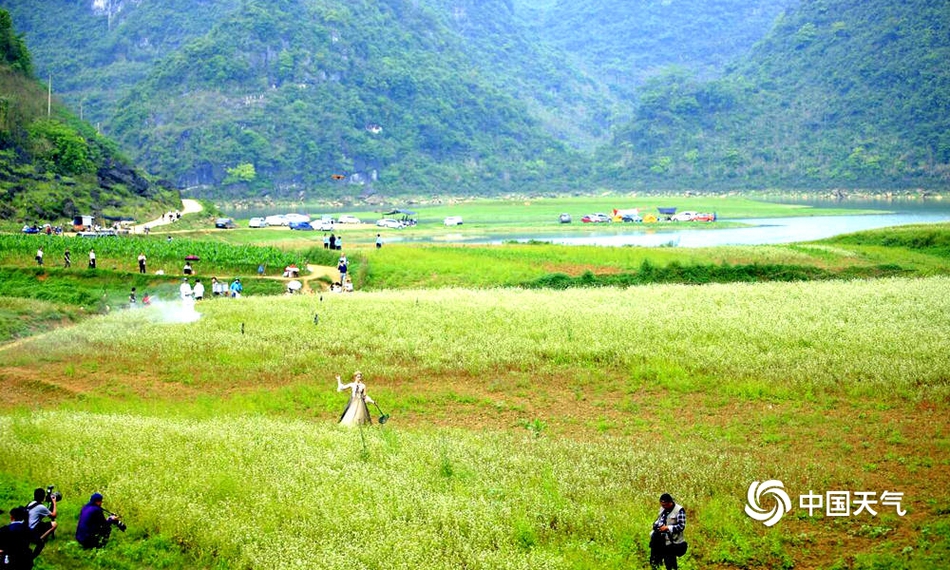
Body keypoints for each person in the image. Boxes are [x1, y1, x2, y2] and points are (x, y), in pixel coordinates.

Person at [650, 493, 687, 570]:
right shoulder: (662, 509)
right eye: (662, 505)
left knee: (671, 563)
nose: (663, 507)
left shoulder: (679, 510)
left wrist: (667, 528)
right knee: (659, 562)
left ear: (670, 502)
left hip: (673, 542)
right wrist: (656, 525)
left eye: (665, 505)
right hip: (662, 540)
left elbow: (681, 526)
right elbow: (659, 519)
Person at [26, 488, 56, 559]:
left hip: (26, 528)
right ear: (43, 497)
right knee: (54, 524)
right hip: (32, 530)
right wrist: (54, 502)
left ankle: (35, 538)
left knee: (42, 523)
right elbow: (53, 515)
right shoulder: (41, 507)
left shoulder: (31, 503)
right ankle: (39, 539)